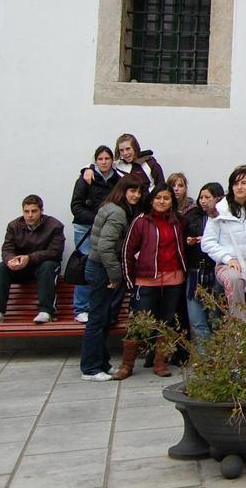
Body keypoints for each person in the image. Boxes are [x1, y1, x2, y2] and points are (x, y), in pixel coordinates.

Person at [80, 175, 145, 380]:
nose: (136, 195)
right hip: (102, 269)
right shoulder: (118, 213)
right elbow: (105, 247)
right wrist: (116, 276)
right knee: (98, 319)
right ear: (122, 191)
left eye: (139, 191)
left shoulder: (112, 207)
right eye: (132, 191)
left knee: (104, 319)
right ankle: (90, 368)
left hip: (100, 267)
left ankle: (101, 362)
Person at [121, 183, 187, 378]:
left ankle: (160, 363)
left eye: (166, 198)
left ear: (172, 201)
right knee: (139, 323)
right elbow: (127, 251)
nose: (162, 201)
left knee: (167, 322)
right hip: (146, 280)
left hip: (173, 279)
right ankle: (126, 366)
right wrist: (129, 280)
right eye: (158, 198)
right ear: (151, 200)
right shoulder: (141, 221)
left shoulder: (179, 220)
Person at [0, 195, 64, 324]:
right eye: (26, 211)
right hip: (21, 266)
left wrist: (29, 258)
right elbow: (7, 249)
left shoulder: (54, 226)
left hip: (43, 265)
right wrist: (11, 260)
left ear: (41, 211)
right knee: (0, 268)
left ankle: (46, 311)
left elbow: (55, 251)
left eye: (34, 211)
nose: (30, 215)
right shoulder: (14, 226)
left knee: (49, 266)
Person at [201, 165, 246, 320]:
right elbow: (207, 242)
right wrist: (227, 259)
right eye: (235, 183)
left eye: (243, 183)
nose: (239, 187)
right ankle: (239, 326)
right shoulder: (219, 211)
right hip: (227, 265)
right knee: (236, 279)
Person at [70, 146, 119, 322]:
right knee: (86, 266)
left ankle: (97, 307)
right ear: (95, 161)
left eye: (107, 158)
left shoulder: (117, 179)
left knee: (103, 266)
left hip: (107, 229)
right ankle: (81, 308)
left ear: (112, 160)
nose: (104, 162)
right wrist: (96, 219)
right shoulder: (85, 178)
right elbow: (76, 206)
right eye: (100, 159)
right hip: (85, 228)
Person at [183, 181, 222, 342]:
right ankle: (203, 355)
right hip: (195, 271)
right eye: (201, 197)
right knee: (197, 319)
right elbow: (182, 238)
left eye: (208, 197)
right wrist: (189, 241)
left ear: (218, 198)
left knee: (215, 318)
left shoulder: (224, 216)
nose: (203, 201)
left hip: (215, 271)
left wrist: (208, 241)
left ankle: (218, 354)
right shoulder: (192, 215)